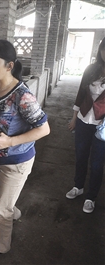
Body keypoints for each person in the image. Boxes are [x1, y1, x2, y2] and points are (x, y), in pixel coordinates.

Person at [0, 39, 50, 259]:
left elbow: (44, 129)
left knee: (0, 208)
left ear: (9, 65)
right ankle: (12, 211)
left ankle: (0, 246)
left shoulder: (22, 96)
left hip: (17, 161)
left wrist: (9, 142)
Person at [66, 37, 105, 214]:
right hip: (83, 119)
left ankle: (91, 197)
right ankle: (78, 186)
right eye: (104, 49)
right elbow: (81, 93)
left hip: (101, 126)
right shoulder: (91, 69)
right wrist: (74, 117)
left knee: (97, 163)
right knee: (81, 156)